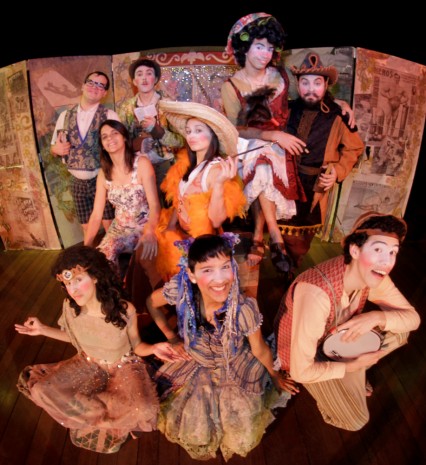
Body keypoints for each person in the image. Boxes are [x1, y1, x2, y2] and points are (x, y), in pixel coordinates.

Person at [14, 245, 183, 453]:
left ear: (94, 277)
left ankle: (105, 414)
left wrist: (154, 348)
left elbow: (137, 346)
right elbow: (76, 339)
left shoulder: (123, 310)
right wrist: (42, 330)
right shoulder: (70, 307)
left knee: (145, 409)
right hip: (88, 364)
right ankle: (103, 414)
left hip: (123, 367)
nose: (73, 290)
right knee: (41, 389)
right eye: (68, 283)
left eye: (78, 280)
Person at [222, 12, 355, 272]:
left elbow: (310, 93)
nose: (265, 54)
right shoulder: (232, 86)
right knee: (261, 160)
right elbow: (234, 129)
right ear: (244, 47)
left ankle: (261, 237)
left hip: (282, 148)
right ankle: (274, 237)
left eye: (270, 48)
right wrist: (271, 135)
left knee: (267, 162)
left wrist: (337, 102)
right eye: (259, 46)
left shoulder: (280, 76)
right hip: (250, 143)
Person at [146, 233, 295, 461]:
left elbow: (258, 348)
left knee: (239, 427)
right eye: (208, 270)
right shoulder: (182, 291)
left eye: (225, 267)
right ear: (192, 275)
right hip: (195, 360)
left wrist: (274, 375)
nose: (220, 279)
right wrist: (171, 337)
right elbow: (151, 302)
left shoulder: (243, 309)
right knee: (193, 422)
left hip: (234, 363)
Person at [274, 212, 420, 431]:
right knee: (357, 420)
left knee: (400, 330)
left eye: (393, 252)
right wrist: (353, 366)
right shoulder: (316, 295)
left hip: (336, 338)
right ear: (355, 250)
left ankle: (353, 372)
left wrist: (375, 317)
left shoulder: (373, 273)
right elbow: (300, 371)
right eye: (378, 250)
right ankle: (346, 381)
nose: (387, 261)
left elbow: (413, 319)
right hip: (307, 356)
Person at [280, 52, 364, 271]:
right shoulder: (286, 110)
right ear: (297, 84)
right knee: (279, 229)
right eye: (305, 82)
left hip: (314, 186)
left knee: (302, 238)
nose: (311, 89)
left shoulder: (338, 115)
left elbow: (355, 148)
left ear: (326, 85)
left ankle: (292, 266)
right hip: (284, 181)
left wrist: (337, 171)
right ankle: (282, 262)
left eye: (317, 83)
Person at [155, 100, 246, 281]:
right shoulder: (188, 165)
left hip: (203, 247)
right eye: (188, 131)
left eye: (198, 130)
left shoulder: (215, 170)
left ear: (212, 135)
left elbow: (216, 220)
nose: (191, 136)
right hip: (183, 238)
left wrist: (219, 184)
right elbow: (179, 199)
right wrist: (171, 227)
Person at [84, 120, 160, 281]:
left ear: (124, 137)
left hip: (144, 226)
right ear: (102, 144)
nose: (110, 139)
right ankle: (115, 292)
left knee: (140, 268)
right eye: (105, 137)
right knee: (102, 260)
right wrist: (85, 247)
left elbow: (154, 205)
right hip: (119, 229)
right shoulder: (104, 174)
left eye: (115, 133)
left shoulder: (142, 164)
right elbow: (96, 215)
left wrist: (150, 231)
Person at [51, 71, 120, 240]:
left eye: (100, 85)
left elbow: (121, 148)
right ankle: (91, 255)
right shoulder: (65, 116)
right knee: (86, 226)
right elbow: (53, 147)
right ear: (83, 86)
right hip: (76, 180)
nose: (95, 87)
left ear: (104, 93)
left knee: (109, 223)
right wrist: (56, 149)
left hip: (102, 178)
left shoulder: (109, 116)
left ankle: (113, 255)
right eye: (91, 82)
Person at [118, 58, 184, 205]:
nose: (144, 78)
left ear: (156, 79)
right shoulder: (126, 108)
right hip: (138, 166)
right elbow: (120, 141)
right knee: (143, 210)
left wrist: (158, 132)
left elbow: (181, 141)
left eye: (149, 73)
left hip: (165, 166)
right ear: (134, 81)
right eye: (139, 74)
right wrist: (137, 144)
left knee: (167, 208)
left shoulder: (168, 105)